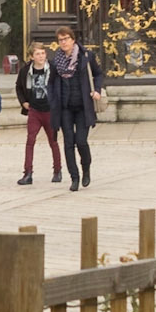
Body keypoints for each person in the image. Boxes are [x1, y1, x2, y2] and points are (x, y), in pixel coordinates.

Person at [48, 26, 104, 192]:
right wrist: (52, 99)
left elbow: (99, 74)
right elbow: (50, 82)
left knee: (81, 141)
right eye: (60, 40)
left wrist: (97, 91)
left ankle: (86, 168)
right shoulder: (55, 60)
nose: (63, 42)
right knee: (68, 143)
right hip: (64, 107)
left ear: (73, 39)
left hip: (82, 106)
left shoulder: (86, 56)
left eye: (66, 39)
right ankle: (74, 177)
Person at [15, 42, 62, 185]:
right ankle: (28, 173)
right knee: (30, 141)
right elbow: (18, 87)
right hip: (34, 110)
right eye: (37, 54)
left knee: (53, 141)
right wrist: (23, 102)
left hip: (49, 110)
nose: (41, 56)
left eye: (43, 53)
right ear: (31, 56)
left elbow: (60, 86)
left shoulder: (53, 69)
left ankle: (57, 170)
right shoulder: (25, 71)